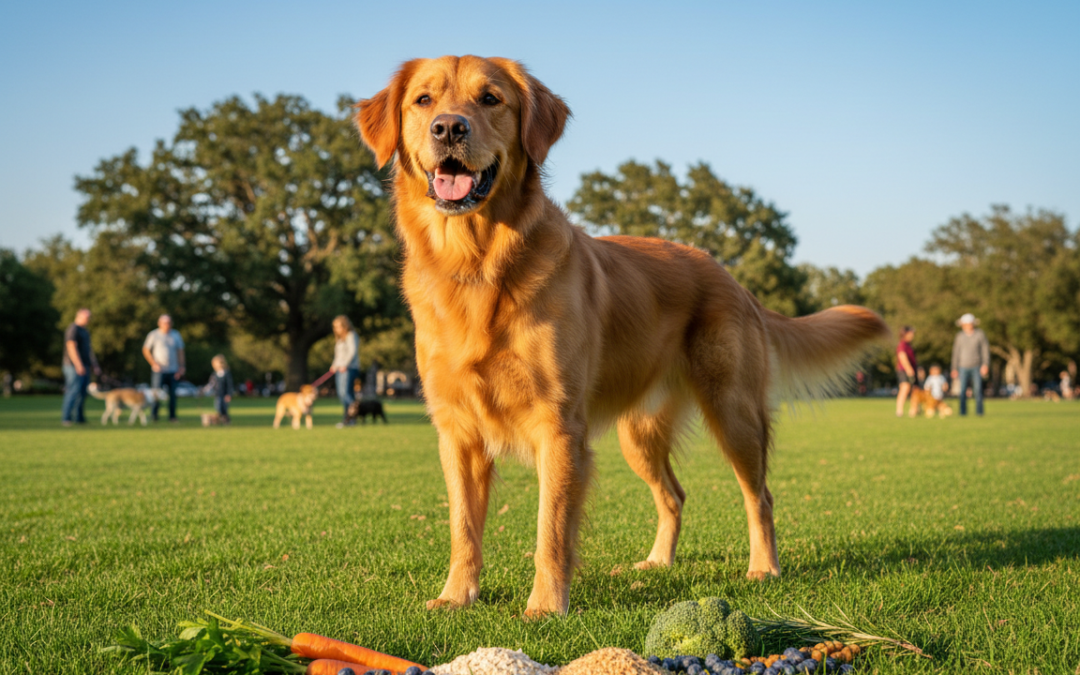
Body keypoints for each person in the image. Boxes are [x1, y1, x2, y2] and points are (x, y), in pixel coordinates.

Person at [61, 308, 100, 426]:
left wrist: (95, 364)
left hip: (85, 365)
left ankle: (79, 418)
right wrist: (78, 365)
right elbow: (71, 346)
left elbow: (89, 350)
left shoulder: (85, 331)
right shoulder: (73, 329)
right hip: (73, 366)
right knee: (73, 391)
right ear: (79, 316)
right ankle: (66, 418)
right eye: (87, 317)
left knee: (83, 393)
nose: (89, 320)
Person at [142, 314, 185, 422]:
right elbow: (146, 350)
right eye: (165, 323)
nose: (167, 325)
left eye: (169, 323)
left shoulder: (176, 335)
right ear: (159, 323)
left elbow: (180, 352)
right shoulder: (154, 335)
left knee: (173, 395)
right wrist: (153, 363)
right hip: (159, 370)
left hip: (173, 370)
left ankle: (172, 417)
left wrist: (182, 366)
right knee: (156, 394)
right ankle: (154, 416)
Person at [951, 313, 990, 416]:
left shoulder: (980, 334)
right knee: (962, 390)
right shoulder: (959, 336)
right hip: (962, 366)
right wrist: (954, 368)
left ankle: (979, 412)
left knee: (977, 390)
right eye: (965, 324)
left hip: (977, 366)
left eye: (969, 323)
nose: (967, 325)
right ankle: (962, 412)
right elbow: (956, 352)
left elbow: (985, 350)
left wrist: (985, 364)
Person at [330, 315, 361, 428]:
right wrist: (334, 365)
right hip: (340, 369)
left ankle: (351, 419)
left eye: (338, 326)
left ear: (344, 326)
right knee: (342, 394)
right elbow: (338, 355)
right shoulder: (339, 339)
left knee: (347, 394)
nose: (336, 329)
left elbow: (352, 352)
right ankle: (347, 419)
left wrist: (345, 365)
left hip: (349, 368)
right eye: (335, 327)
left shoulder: (351, 336)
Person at [895, 325, 918, 417]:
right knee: (905, 389)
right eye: (911, 333)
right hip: (904, 370)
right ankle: (899, 410)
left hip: (910, 370)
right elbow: (902, 356)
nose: (912, 335)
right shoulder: (902, 345)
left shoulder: (908, 345)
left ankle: (914, 410)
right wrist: (908, 369)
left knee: (914, 391)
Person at [205, 354, 234, 423]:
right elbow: (211, 384)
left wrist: (229, 394)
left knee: (224, 407)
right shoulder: (214, 374)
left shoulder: (226, 374)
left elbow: (230, 385)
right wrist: (205, 390)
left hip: (224, 394)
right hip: (217, 394)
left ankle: (226, 419)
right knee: (218, 407)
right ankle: (220, 419)